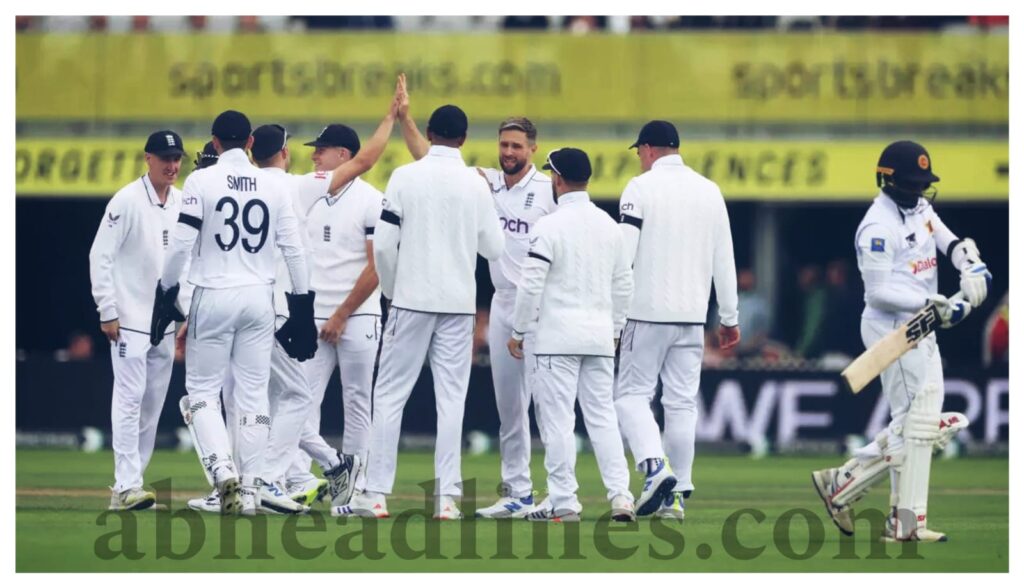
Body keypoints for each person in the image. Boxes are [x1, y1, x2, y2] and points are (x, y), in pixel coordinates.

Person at [187, 83, 401, 513]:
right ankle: (263, 479)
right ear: (279, 153)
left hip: (216, 300)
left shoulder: (216, 180)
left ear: (251, 149)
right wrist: (392, 117)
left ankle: (245, 481)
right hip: (268, 308)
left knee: (230, 397)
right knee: (276, 398)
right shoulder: (293, 187)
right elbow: (365, 159)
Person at [812, 140, 991, 542]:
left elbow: (948, 241)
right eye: (911, 185)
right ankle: (895, 519)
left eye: (922, 184)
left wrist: (969, 262)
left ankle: (854, 491)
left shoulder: (921, 207)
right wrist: (933, 302)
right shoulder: (877, 226)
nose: (918, 192)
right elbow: (876, 292)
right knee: (919, 424)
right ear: (887, 181)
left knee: (916, 423)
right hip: (891, 327)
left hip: (923, 322)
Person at [336, 104, 504, 520]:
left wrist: (392, 290)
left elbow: (386, 245)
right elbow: (495, 249)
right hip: (458, 304)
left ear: (429, 133)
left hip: (412, 299)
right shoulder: (474, 184)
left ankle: (375, 494)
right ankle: (447, 498)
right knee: (452, 401)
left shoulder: (405, 176)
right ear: (463, 139)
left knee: (390, 396)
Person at [396, 93, 555, 518]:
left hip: (544, 309)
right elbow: (430, 157)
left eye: (517, 146)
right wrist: (406, 119)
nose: (508, 152)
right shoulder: (482, 181)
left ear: (532, 149)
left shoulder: (548, 190)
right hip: (503, 305)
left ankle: (560, 492)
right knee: (510, 408)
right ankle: (519, 492)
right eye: (504, 145)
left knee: (548, 404)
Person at [151, 109, 316, 515]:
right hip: (260, 297)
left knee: (204, 391)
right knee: (253, 395)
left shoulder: (201, 180)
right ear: (251, 144)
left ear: (214, 142)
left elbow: (180, 245)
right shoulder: (272, 185)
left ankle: (223, 471)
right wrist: (302, 306)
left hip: (214, 292)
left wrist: (166, 293)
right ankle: (249, 489)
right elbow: (294, 250)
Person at [613, 120, 740, 519]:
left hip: (645, 312)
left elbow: (624, 255)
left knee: (630, 396)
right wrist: (730, 317)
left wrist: (614, 313)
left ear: (649, 149)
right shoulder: (709, 190)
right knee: (682, 404)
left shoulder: (640, 188)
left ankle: (655, 469)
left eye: (640, 152)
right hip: (692, 318)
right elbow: (725, 258)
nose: (640, 159)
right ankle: (676, 497)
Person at [507, 148, 635, 523]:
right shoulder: (610, 226)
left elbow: (531, 285)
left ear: (557, 180)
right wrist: (614, 331)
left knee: (558, 422)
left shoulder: (548, 226)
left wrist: (518, 330)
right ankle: (621, 497)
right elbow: (624, 285)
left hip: (554, 339)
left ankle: (564, 501)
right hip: (598, 338)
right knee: (602, 419)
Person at [89, 130, 192, 511]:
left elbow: (189, 262)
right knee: (130, 399)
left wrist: (186, 311)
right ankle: (126, 483)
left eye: (177, 157)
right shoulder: (126, 201)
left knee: (151, 404)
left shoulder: (182, 201)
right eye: (164, 157)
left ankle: (130, 487)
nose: (172, 165)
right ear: (147, 158)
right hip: (130, 317)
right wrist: (107, 309)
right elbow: (100, 256)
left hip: (164, 322)